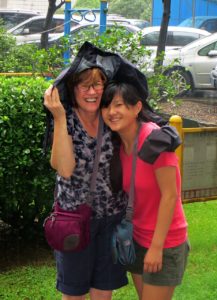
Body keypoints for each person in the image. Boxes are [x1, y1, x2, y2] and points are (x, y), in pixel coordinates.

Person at [43, 42, 129, 300]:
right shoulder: (66, 119)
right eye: (85, 85)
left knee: (104, 291)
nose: (92, 92)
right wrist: (58, 117)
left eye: (98, 85)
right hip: (74, 219)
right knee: (74, 293)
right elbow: (65, 168)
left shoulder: (110, 116)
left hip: (112, 218)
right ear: (73, 88)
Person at [101, 81, 189, 300]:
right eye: (106, 106)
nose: (111, 112)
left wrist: (157, 247)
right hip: (137, 237)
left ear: (137, 107)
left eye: (119, 105)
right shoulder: (119, 143)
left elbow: (170, 196)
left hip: (165, 241)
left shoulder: (155, 140)